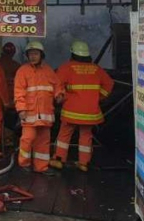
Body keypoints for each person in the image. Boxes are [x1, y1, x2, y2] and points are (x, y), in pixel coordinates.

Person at [50, 40, 114, 172]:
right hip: (91, 112)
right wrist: (99, 97)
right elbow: (109, 84)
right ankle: (83, 163)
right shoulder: (97, 69)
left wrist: (60, 96)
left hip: (71, 111)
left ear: (72, 54)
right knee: (86, 135)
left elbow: (56, 84)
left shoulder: (66, 68)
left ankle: (59, 160)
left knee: (64, 134)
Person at [14, 41, 64, 175]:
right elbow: (19, 92)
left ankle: (41, 167)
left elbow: (57, 85)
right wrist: (21, 109)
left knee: (43, 142)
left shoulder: (48, 71)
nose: (32, 57)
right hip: (29, 113)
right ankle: (23, 164)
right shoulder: (22, 71)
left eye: (35, 54)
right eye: (30, 54)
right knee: (27, 139)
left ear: (41, 55)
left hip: (46, 113)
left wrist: (59, 95)